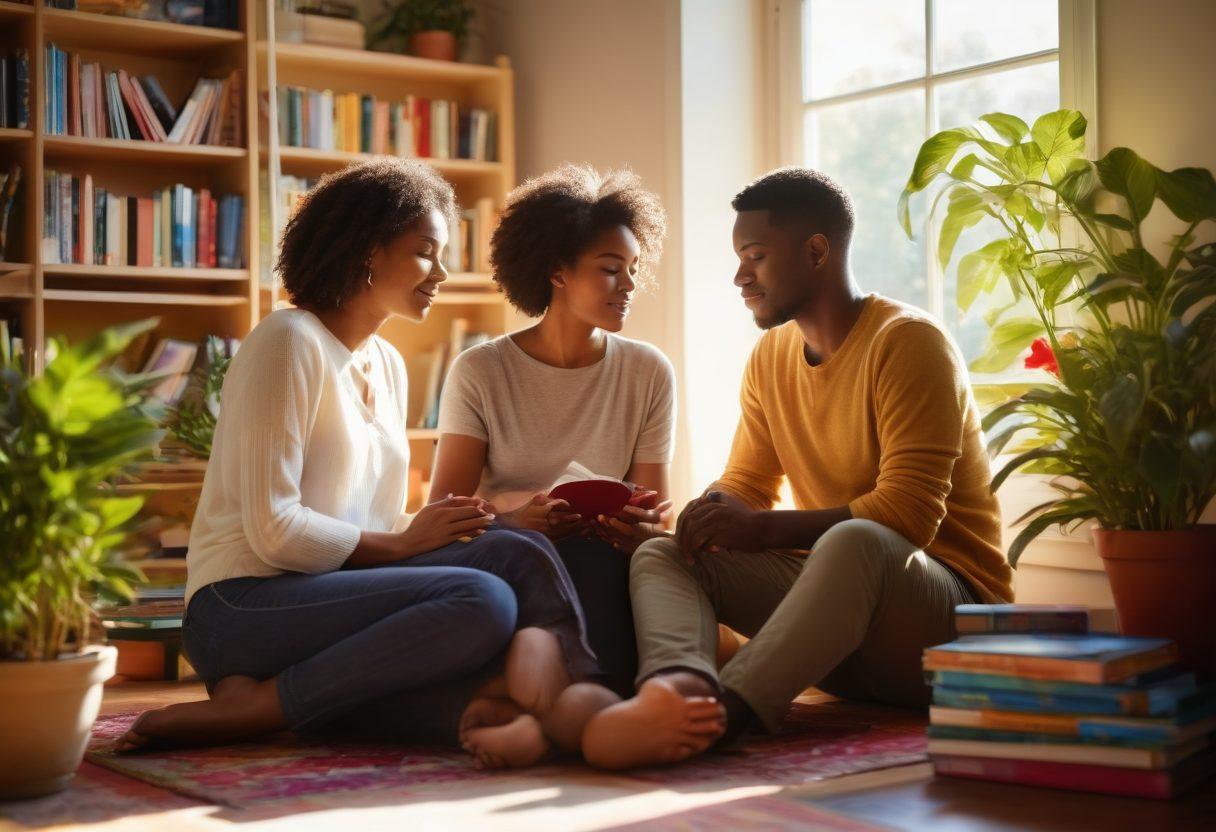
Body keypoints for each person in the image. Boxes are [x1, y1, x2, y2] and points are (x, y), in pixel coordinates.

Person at [114, 159, 615, 760]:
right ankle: (264, 705)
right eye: (426, 252)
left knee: (515, 548)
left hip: (333, 596)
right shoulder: (287, 341)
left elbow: (376, 526)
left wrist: (480, 523)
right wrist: (406, 545)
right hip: (241, 606)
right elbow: (276, 532)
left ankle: (518, 702)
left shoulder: (388, 364)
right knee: (482, 601)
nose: (443, 273)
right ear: (368, 251)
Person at [580, 167, 1014, 769]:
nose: (739, 275)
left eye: (755, 255)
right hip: (839, 643)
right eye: (738, 257)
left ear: (816, 251)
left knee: (858, 538)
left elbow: (909, 516)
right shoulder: (770, 356)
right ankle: (677, 695)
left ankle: (723, 716)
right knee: (663, 553)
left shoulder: (908, 342)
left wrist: (762, 530)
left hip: (945, 631)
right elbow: (748, 484)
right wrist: (704, 518)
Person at [429, 164, 676, 697]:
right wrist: (517, 518)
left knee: (637, 561)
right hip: (509, 548)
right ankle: (601, 699)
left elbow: (657, 508)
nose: (630, 285)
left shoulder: (648, 370)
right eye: (612, 269)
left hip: (605, 556)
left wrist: (637, 524)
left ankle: (577, 698)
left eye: (634, 268)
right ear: (558, 271)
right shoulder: (482, 370)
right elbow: (445, 506)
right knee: (556, 560)